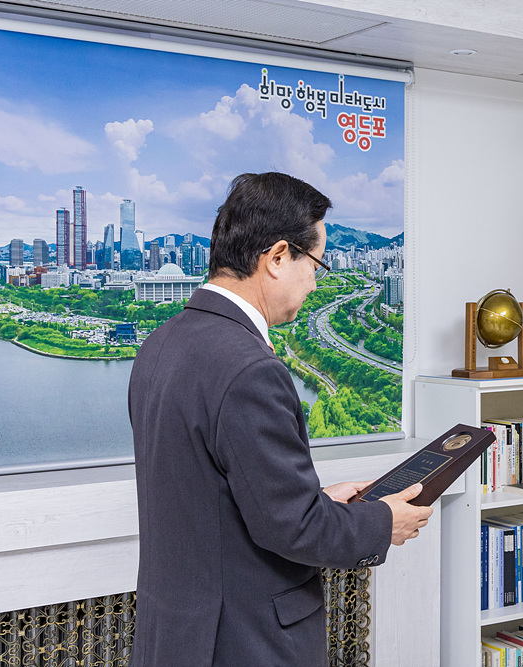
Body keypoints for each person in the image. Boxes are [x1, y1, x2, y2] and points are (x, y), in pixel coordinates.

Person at [128, 172, 431, 667]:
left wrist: (316, 500)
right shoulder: (251, 370)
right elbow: (292, 530)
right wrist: (382, 522)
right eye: (315, 263)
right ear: (276, 257)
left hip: (176, 634)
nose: (316, 280)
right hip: (244, 641)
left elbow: (214, 495)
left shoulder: (159, 346)